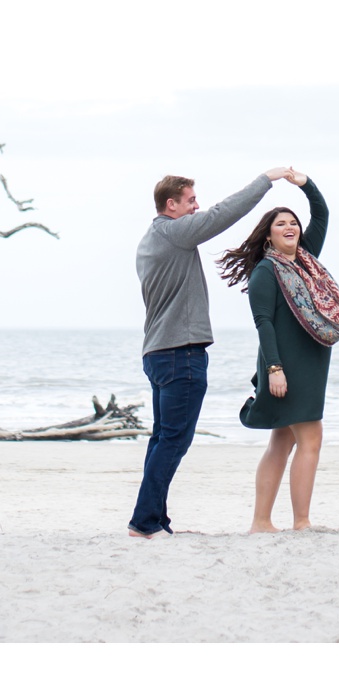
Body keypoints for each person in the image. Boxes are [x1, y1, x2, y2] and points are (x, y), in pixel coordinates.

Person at [129, 166, 296, 538]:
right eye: (190, 201)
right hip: (180, 353)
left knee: (163, 440)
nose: (196, 207)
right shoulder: (174, 233)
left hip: (157, 353)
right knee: (173, 441)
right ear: (171, 205)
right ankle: (143, 523)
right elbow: (222, 214)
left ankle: (154, 520)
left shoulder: (150, 239)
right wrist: (265, 181)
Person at [217, 173, 339, 532]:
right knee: (310, 438)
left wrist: (304, 182)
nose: (290, 227)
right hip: (286, 366)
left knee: (282, 441)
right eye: (281, 224)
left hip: (311, 361)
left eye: (293, 222)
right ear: (269, 235)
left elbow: (322, 214)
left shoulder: (305, 261)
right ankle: (302, 521)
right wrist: (275, 369)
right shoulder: (267, 270)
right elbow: (263, 323)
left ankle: (261, 522)